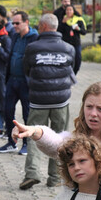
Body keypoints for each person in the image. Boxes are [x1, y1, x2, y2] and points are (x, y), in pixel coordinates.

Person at [14, 81, 101, 188]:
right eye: (89, 106)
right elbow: (55, 142)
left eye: (100, 109)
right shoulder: (74, 140)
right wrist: (34, 130)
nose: (93, 114)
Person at [18, 14, 75, 190]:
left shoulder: (32, 47)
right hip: (61, 100)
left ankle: (32, 174)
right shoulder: (68, 48)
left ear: (42, 26)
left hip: (38, 100)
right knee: (60, 138)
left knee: (34, 134)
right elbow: (74, 67)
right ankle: (56, 177)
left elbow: (26, 69)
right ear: (56, 27)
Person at [0, 11, 38, 155]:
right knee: (7, 111)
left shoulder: (34, 38)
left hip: (26, 82)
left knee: (27, 113)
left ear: (26, 22)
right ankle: (11, 142)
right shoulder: (14, 36)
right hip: (12, 80)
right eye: (12, 23)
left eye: (17, 23)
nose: (13, 26)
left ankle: (27, 143)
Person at [59, 5, 87, 75]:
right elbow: (58, 31)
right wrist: (63, 23)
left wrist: (79, 29)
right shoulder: (62, 19)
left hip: (76, 43)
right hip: (65, 43)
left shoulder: (79, 20)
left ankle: (74, 74)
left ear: (73, 11)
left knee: (78, 59)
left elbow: (84, 32)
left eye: (70, 10)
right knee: (66, 60)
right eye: (67, 10)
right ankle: (66, 74)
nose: (69, 12)